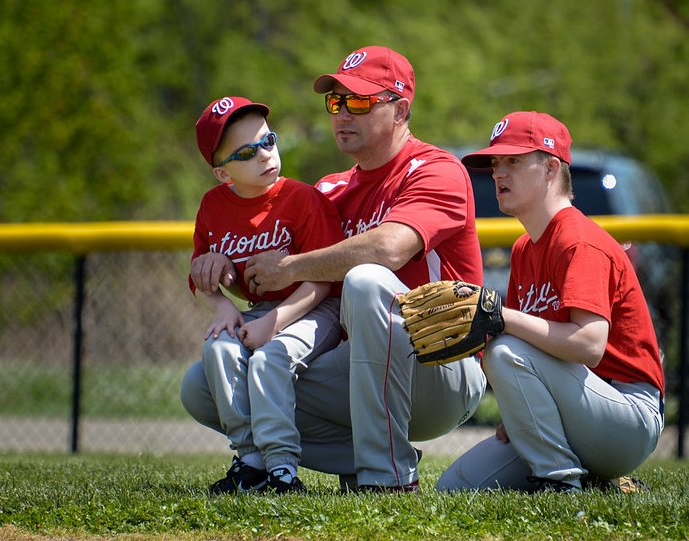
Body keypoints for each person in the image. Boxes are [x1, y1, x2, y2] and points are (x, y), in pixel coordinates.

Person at [183, 46, 486, 492]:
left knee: (366, 280)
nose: (343, 112)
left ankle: (387, 477)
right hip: (359, 366)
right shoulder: (329, 189)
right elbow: (265, 265)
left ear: (401, 109)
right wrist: (220, 264)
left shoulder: (436, 169)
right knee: (206, 385)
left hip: (440, 365)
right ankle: (359, 455)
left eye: (360, 101)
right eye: (336, 101)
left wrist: (291, 266)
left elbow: (387, 249)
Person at [436, 111, 665, 493]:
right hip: (574, 408)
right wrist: (522, 407)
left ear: (550, 168)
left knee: (504, 347)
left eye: (513, 161)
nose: (498, 173)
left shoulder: (579, 240)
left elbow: (589, 346)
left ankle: (558, 481)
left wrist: (500, 317)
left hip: (626, 415)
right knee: (455, 487)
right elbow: (535, 348)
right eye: (495, 163)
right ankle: (595, 479)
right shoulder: (525, 248)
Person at [185, 96, 345, 494]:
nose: (265, 155)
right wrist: (222, 306)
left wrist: (274, 323)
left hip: (316, 307)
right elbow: (199, 277)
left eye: (268, 141)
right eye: (247, 152)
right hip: (261, 310)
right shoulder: (212, 206)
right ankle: (251, 461)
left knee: (270, 357)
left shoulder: (303, 198)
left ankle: (282, 469)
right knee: (218, 348)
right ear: (224, 174)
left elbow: (322, 282)